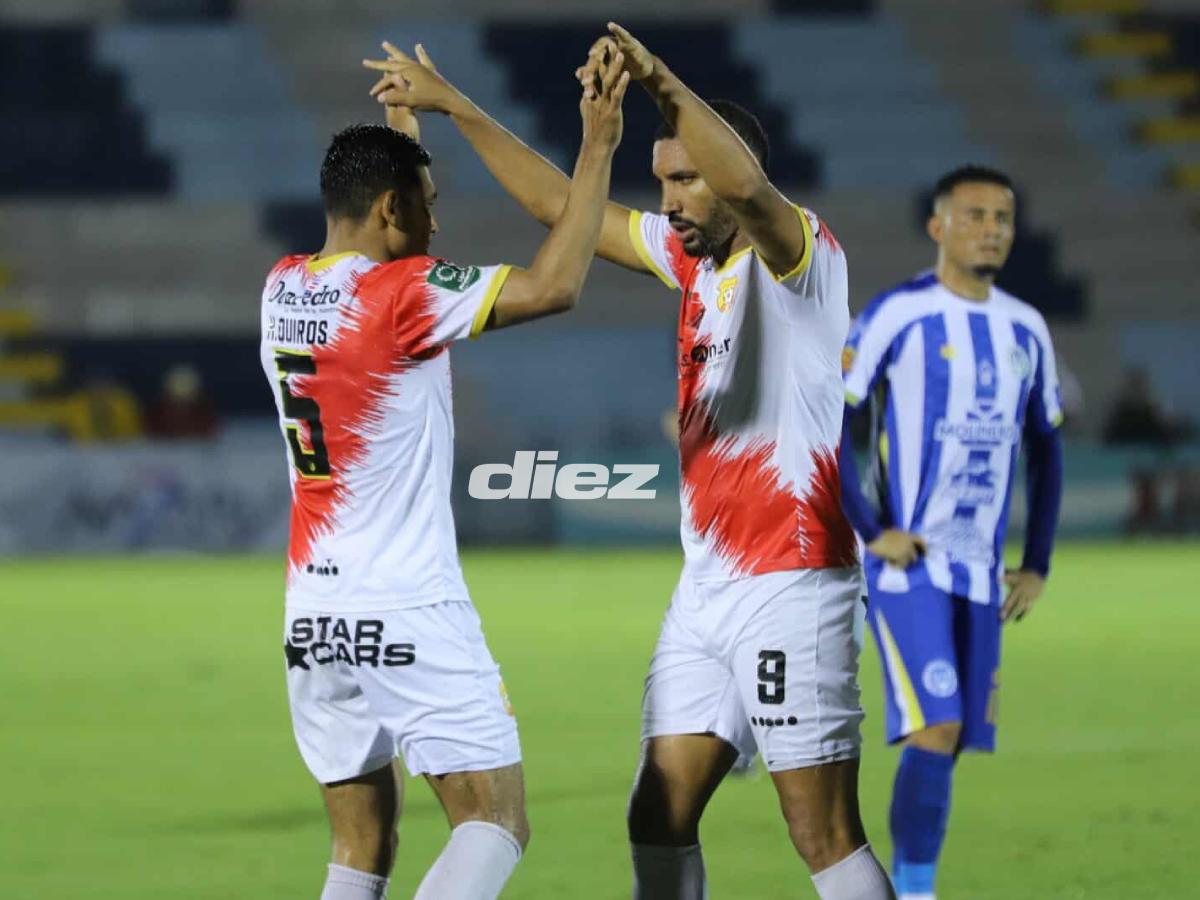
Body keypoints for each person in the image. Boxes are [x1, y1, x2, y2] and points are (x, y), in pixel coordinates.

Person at [364, 23, 895, 900]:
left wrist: (655, 77)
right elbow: (557, 207)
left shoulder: (798, 255)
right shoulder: (691, 263)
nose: (672, 200)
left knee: (821, 830)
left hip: (792, 583)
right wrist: (454, 107)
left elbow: (748, 187)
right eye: (663, 182)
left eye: (687, 179)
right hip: (707, 594)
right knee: (657, 812)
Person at [261, 54, 629, 900]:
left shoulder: (282, 288)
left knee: (361, 845)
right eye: (430, 204)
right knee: (494, 820)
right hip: (406, 602)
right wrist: (597, 147)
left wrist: (407, 128)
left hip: (313, 613)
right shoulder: (402, 296)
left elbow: (375, 236)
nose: (439, 223)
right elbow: (556, 285)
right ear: (392, 207)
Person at [839, 165, 1065, 900]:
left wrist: (1036, 563)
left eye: (1002, 217)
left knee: (956, 735)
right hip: (910, 565)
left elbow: (1045, 446)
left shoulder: (1026, 328)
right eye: (975, 215)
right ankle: (913, 890)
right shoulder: (896, 315)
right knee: (935, 725)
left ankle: (907, 880)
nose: (992, 229)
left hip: (979, 569)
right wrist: (873, 528)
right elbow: (842, 422)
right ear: (938, 226)